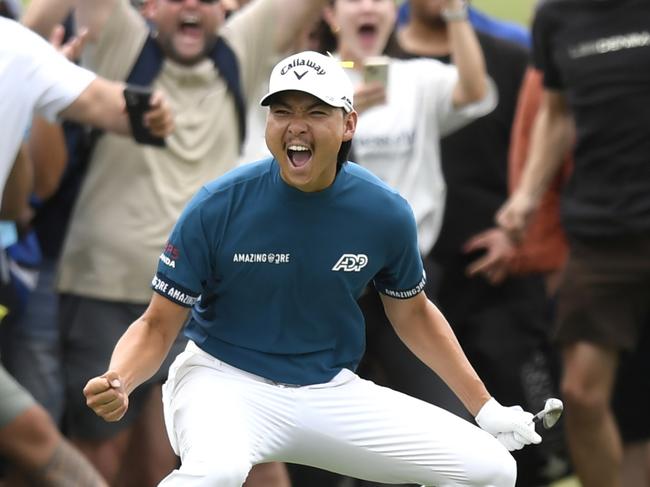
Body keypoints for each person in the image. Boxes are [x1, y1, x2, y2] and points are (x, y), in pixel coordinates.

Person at [83, 49, 542, 487]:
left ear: (349, 124)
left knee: (493, 470)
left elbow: (414, 313)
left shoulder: (384, 212)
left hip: (328, 391)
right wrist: (121, 378)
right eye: (282, 112)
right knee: (217, 473)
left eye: (316, 113)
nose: (295, 127)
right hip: (220, 381)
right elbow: (156, 325)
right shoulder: (216, 206)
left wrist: (485, 408)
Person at [22, 0, 333, 483]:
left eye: (208, 0)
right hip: (110, 288)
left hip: (208, 297)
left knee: (233, 450)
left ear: (226, 9)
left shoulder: (239, 48)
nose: (192, 6)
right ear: (148, 8)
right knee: (103, 450)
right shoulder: (122, 40)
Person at [0, 17, 171, 486]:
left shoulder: (18, 48)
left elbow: (20, 202)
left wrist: (151, 110)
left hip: (17, 281)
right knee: (36, 439)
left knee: (37, 436)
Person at [496, 2, 650, 487]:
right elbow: (555, 113)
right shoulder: (555, 17)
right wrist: (525, 197)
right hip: (599, 234)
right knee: (580, 393)